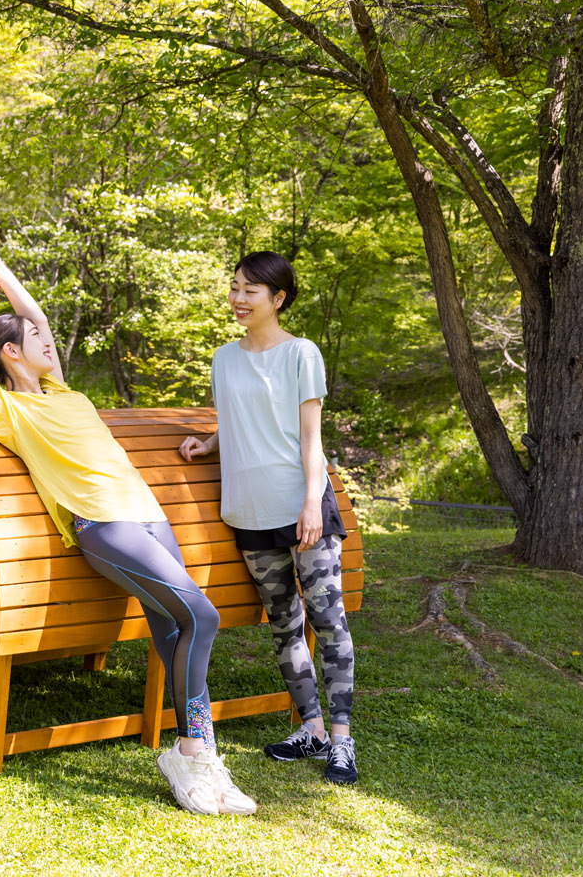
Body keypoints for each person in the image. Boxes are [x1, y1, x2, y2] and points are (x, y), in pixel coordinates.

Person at [0, 238, 256, 816]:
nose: (46, 337)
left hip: (148, 517)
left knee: (173, 632)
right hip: (104, 527)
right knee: (202, 615)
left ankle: (202, 760)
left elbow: (34, 315)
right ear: (12, 354)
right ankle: (194, 751)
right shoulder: (4, 411)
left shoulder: (61, 391)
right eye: (34, 339)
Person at [178, 250, 358, 785]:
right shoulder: (223, 358)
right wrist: (207, 444)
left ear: (277, 299)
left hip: (302, 507)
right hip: (248, 510)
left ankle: (342, 741)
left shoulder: (302, 353)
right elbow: (239, 417)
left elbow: (310, 436)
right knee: (284, 624)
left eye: (250, 290)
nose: (238, 298)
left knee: (328, 623)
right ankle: (311, 729)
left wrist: (310, 502)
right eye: (234, 287)